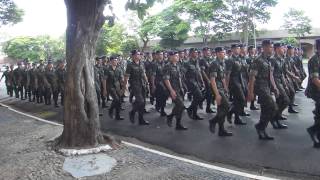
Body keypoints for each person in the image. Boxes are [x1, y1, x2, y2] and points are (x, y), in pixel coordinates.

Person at [248, 39, 279, 140]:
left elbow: (270, 75)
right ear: (265, 47)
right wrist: (251, 92)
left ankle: (262, 129)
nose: (272, 48)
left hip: (267, 86)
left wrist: (274, 87)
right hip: (260, 87)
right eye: (270, 47)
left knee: (266, 108)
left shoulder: (268, 59)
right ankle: (260, 126)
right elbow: (252, 77)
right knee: (273, 107)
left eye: (272, 46)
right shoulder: (258, 60)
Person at [208, 47, 233, 137]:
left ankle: (221, 130)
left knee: (221, 109)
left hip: (222, 88)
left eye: (224, 52)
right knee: (227, 106)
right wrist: (217, 94)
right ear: (218, 53)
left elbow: (222, 77)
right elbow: (212, 80)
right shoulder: (214, 64)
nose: (224, 53)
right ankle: (213, 121)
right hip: (217, 88)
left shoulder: (222, 63)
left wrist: (226, 87)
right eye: (222, 52)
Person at [163, 51, 188, 130]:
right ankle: (170, 116)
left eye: (177, 56)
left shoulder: (178, 65)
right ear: (170, 57)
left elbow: (181, 78)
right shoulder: (167, 66)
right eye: (175, 56)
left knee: (179, 107)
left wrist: (184, 87)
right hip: (173, 89)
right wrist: (171, 90)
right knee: (180, 105)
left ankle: (178, 124)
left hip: (180, 88)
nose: (177, 57)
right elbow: (166, 79)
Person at [124, 50, 149, 125]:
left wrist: (147, 82)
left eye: (139, 54)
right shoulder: (130, 65)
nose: (139, 55)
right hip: (135, 85)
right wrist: (125, 86)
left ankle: (141, 119)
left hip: (142, 84)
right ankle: (132, 112)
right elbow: (126, 76)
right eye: (137, 54)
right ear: (133, 56)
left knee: (143, 102)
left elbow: (144, 73)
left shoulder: (141, 63)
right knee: (140, 101)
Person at [226, 44, 247, 125]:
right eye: (237, 48)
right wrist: (226, 87)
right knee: (241, 99)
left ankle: (236, 118)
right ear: (233, 50)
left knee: (237, 100)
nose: (239, 50)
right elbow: (227, 74)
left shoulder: (240, 58)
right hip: (233, 82)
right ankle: (231, 112)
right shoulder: (230, 60)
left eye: (239, 48)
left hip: (240, 80)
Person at [305, 39, 320, 148]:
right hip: (316, 90)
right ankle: (313, 130)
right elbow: (315, 79)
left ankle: (316, 134)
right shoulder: (314, 60)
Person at [271, 42, 289, 129]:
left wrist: (285, 83)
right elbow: (271, 74)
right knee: (285, 100)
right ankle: (274, 117)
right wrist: (274, 87)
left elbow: (281, 73)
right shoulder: (273, 59)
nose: (284, 50)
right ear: (277, 49)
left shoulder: (281, 59)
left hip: (280, 81)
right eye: (282, 48)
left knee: (280, 101)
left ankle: (276, 118)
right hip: (275, 82)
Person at [185, 48, 205, 120]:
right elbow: (183, 74)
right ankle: (190, 109)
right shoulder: (187, 63)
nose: (196, 54)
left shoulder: (197, 62)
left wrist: (202, 82)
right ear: (190, 54)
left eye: (196, 52)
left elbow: (199, 72)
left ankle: (194, 114)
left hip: (197, 82)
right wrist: (185, 85)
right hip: (191, 83)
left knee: (197, 98)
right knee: (199, 97)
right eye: (194, 52)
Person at [105, 55, 124, 120]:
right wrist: (104, 90)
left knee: (119, 101)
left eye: (116, 60)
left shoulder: (119, 69)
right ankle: (111, 109)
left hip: (117, 86)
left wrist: (124, 88)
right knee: (116, 99)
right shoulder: (107, 69)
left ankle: (117, 116)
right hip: (110, 87)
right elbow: (104, 80)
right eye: (113, 61)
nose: (115, 62)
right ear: (110, 61)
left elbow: (121, 79)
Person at [151, 50, 168, 117]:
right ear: (156, 56)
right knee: (160, 97)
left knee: (164, 97)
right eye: (159, 54)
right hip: (158, 83)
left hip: (165, 82)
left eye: (162, 54)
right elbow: (153, 75)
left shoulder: (165, 63)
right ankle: (162, 110)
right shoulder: (154, 64)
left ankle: (159, 106)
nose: (161, 56)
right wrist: (153, 85)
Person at [199, 47, 215, 113]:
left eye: (208, 51)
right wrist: (208, 80)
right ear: (203, 52)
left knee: (209, 93)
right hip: (206, 79)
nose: (208, 52)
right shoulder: (202, 60)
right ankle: (208, 108)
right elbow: (202, 71)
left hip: (211, 78)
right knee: (209, 93)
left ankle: (200, 101)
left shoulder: (210, 59)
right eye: (206, 51)